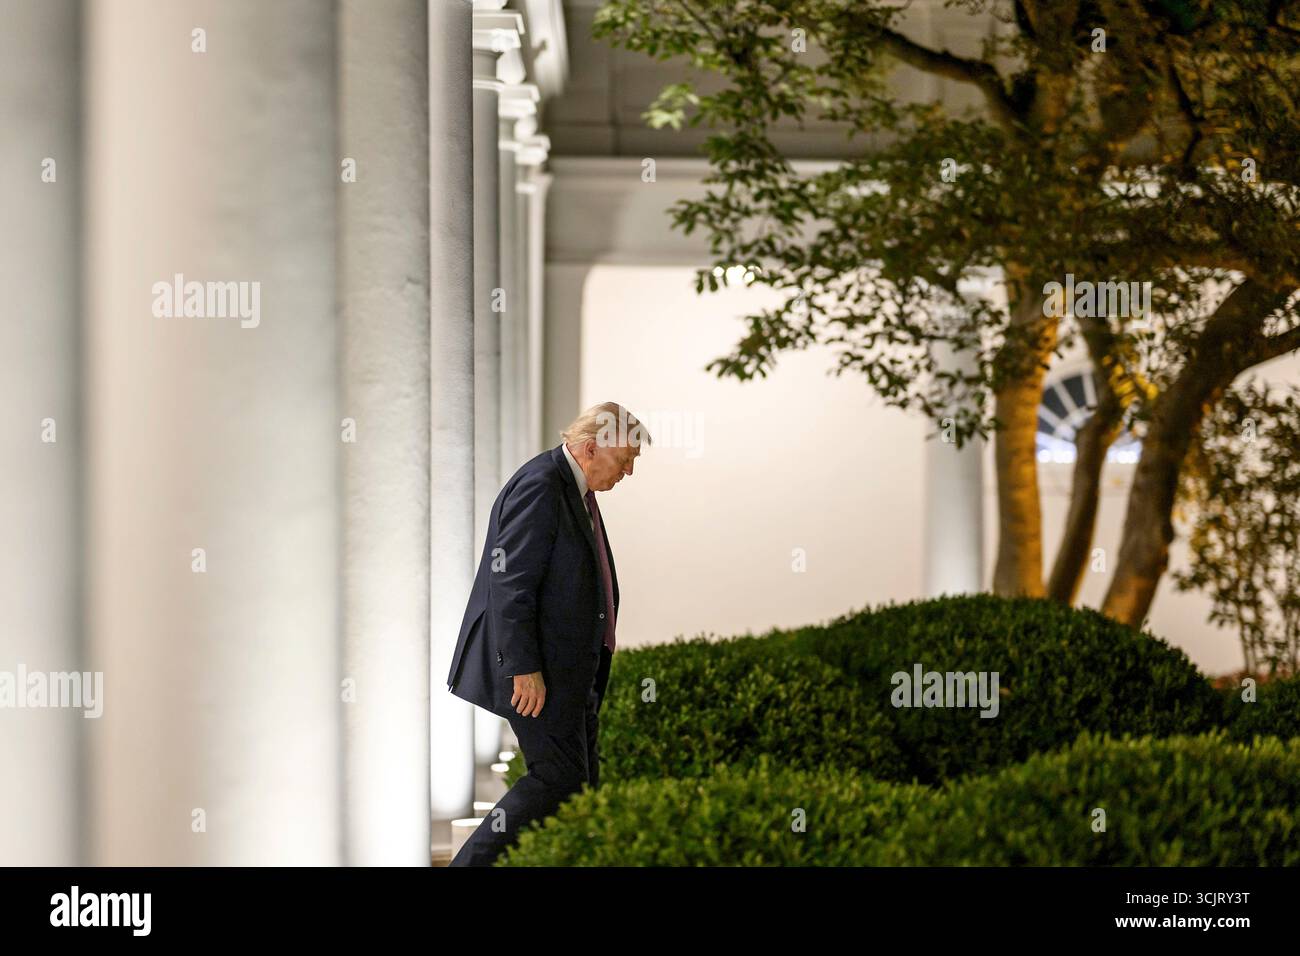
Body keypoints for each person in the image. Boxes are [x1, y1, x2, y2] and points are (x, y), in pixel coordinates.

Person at [446, 401, 651, 866]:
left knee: (578, 786)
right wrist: (524, 668)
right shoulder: (542, 485)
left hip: (572, 672)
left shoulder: (572, 489)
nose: (629, 472)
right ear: (591, 448)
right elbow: (511, 583)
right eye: (626, 460)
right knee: (555, 779)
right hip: (542, 675)